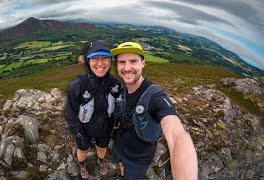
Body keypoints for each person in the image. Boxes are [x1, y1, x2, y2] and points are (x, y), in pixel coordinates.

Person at [110, 42, 198, 180]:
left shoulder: (155, 97)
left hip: (138, 158)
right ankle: (121, 173)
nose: (126, 68)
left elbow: (177, 136)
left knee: (129, 176)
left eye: (133, 61)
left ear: (143, 63)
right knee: (121, 166)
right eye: (122, 62)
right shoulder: (124, 89)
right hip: (120, 146)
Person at [66, 40, 122, 179]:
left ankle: (100, 160)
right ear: (88, 61)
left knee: (102, 148)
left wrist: (115, 128)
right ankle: (82, 164)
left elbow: (118, 108)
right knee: (83, 149)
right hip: (84, 128)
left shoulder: (115, 84)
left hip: (105, 128)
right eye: (95, 58)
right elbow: (71, 114)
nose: (100, 63)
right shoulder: (77, 86)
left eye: (105, 58)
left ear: (110, 60)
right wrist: (78, 133)